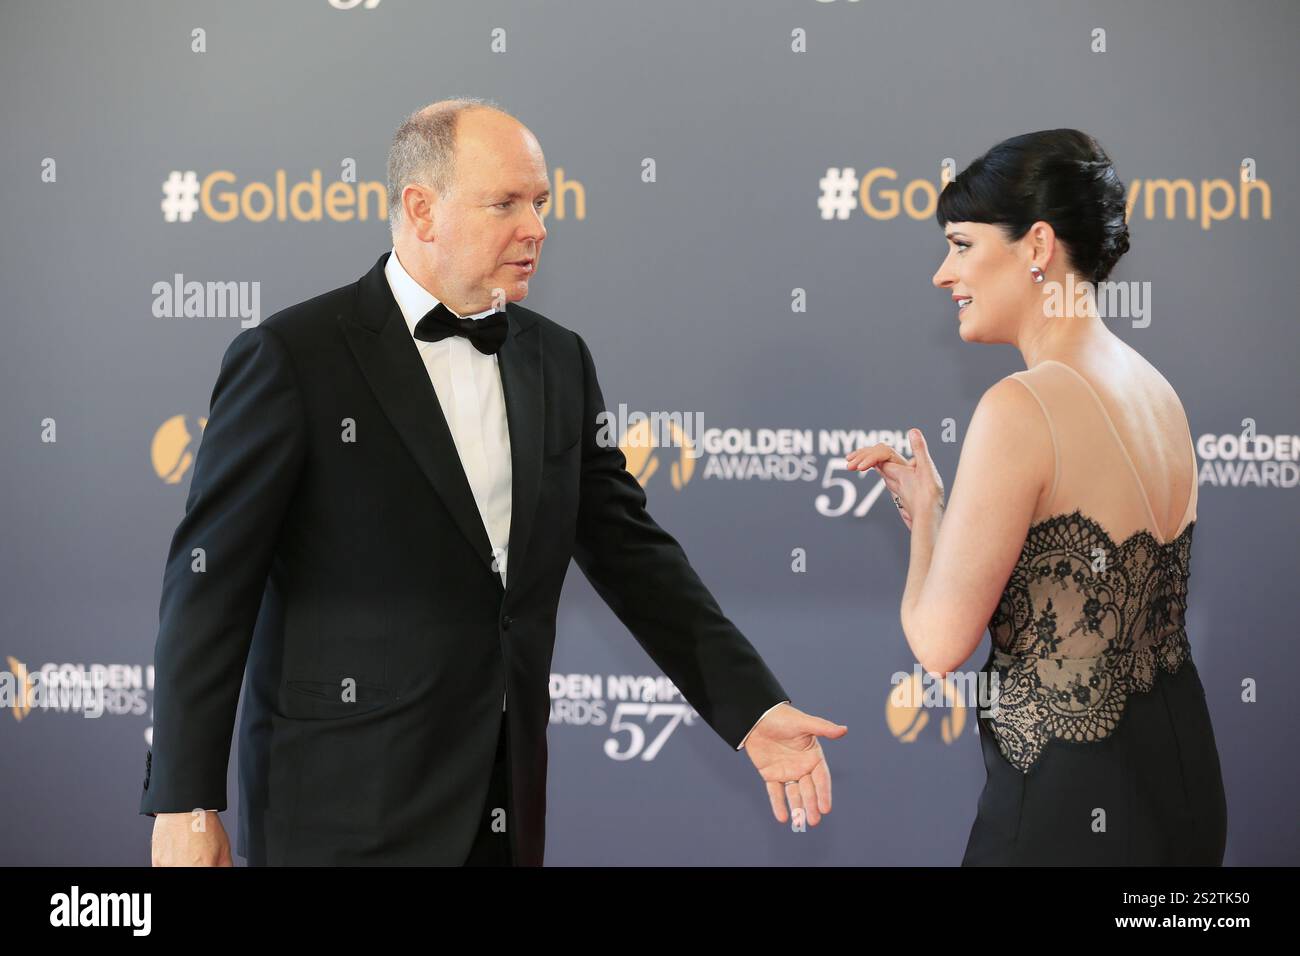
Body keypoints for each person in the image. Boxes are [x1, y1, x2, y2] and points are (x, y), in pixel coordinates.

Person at [142, 98, 846, 866]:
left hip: (503, 804)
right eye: (506, 202)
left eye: (541, 203)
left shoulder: (557, 359)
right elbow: (208, 589)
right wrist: (185, 799)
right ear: (422, 209)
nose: (537, 227)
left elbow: (634, 557)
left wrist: (752, 710)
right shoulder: (292, 356)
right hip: (339, 809)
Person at [848, 129, 1227, 865]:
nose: (941, 274)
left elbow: (938, 644)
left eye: (960, 245)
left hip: (1067, 808)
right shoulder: (1157, 391)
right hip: (1185, 791)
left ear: (1036, 246)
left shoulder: (1020, 407)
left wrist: (927, 514)